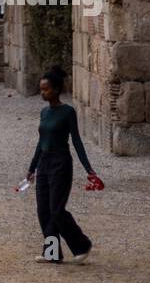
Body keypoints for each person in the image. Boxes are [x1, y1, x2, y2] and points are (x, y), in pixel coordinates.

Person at [25, 65, 101, 264]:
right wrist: (32, 168)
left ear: (56, 89)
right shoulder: (44, 113)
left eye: (46, 89)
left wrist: (89, 169)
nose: (42, 93)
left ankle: (82, 245)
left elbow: (76, 141)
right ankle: (52, 253)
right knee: (44, 211)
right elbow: (41, 142)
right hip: (44, 166)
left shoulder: (68, 112)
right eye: (41, 89)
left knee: (57, 210)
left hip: (61, 165)